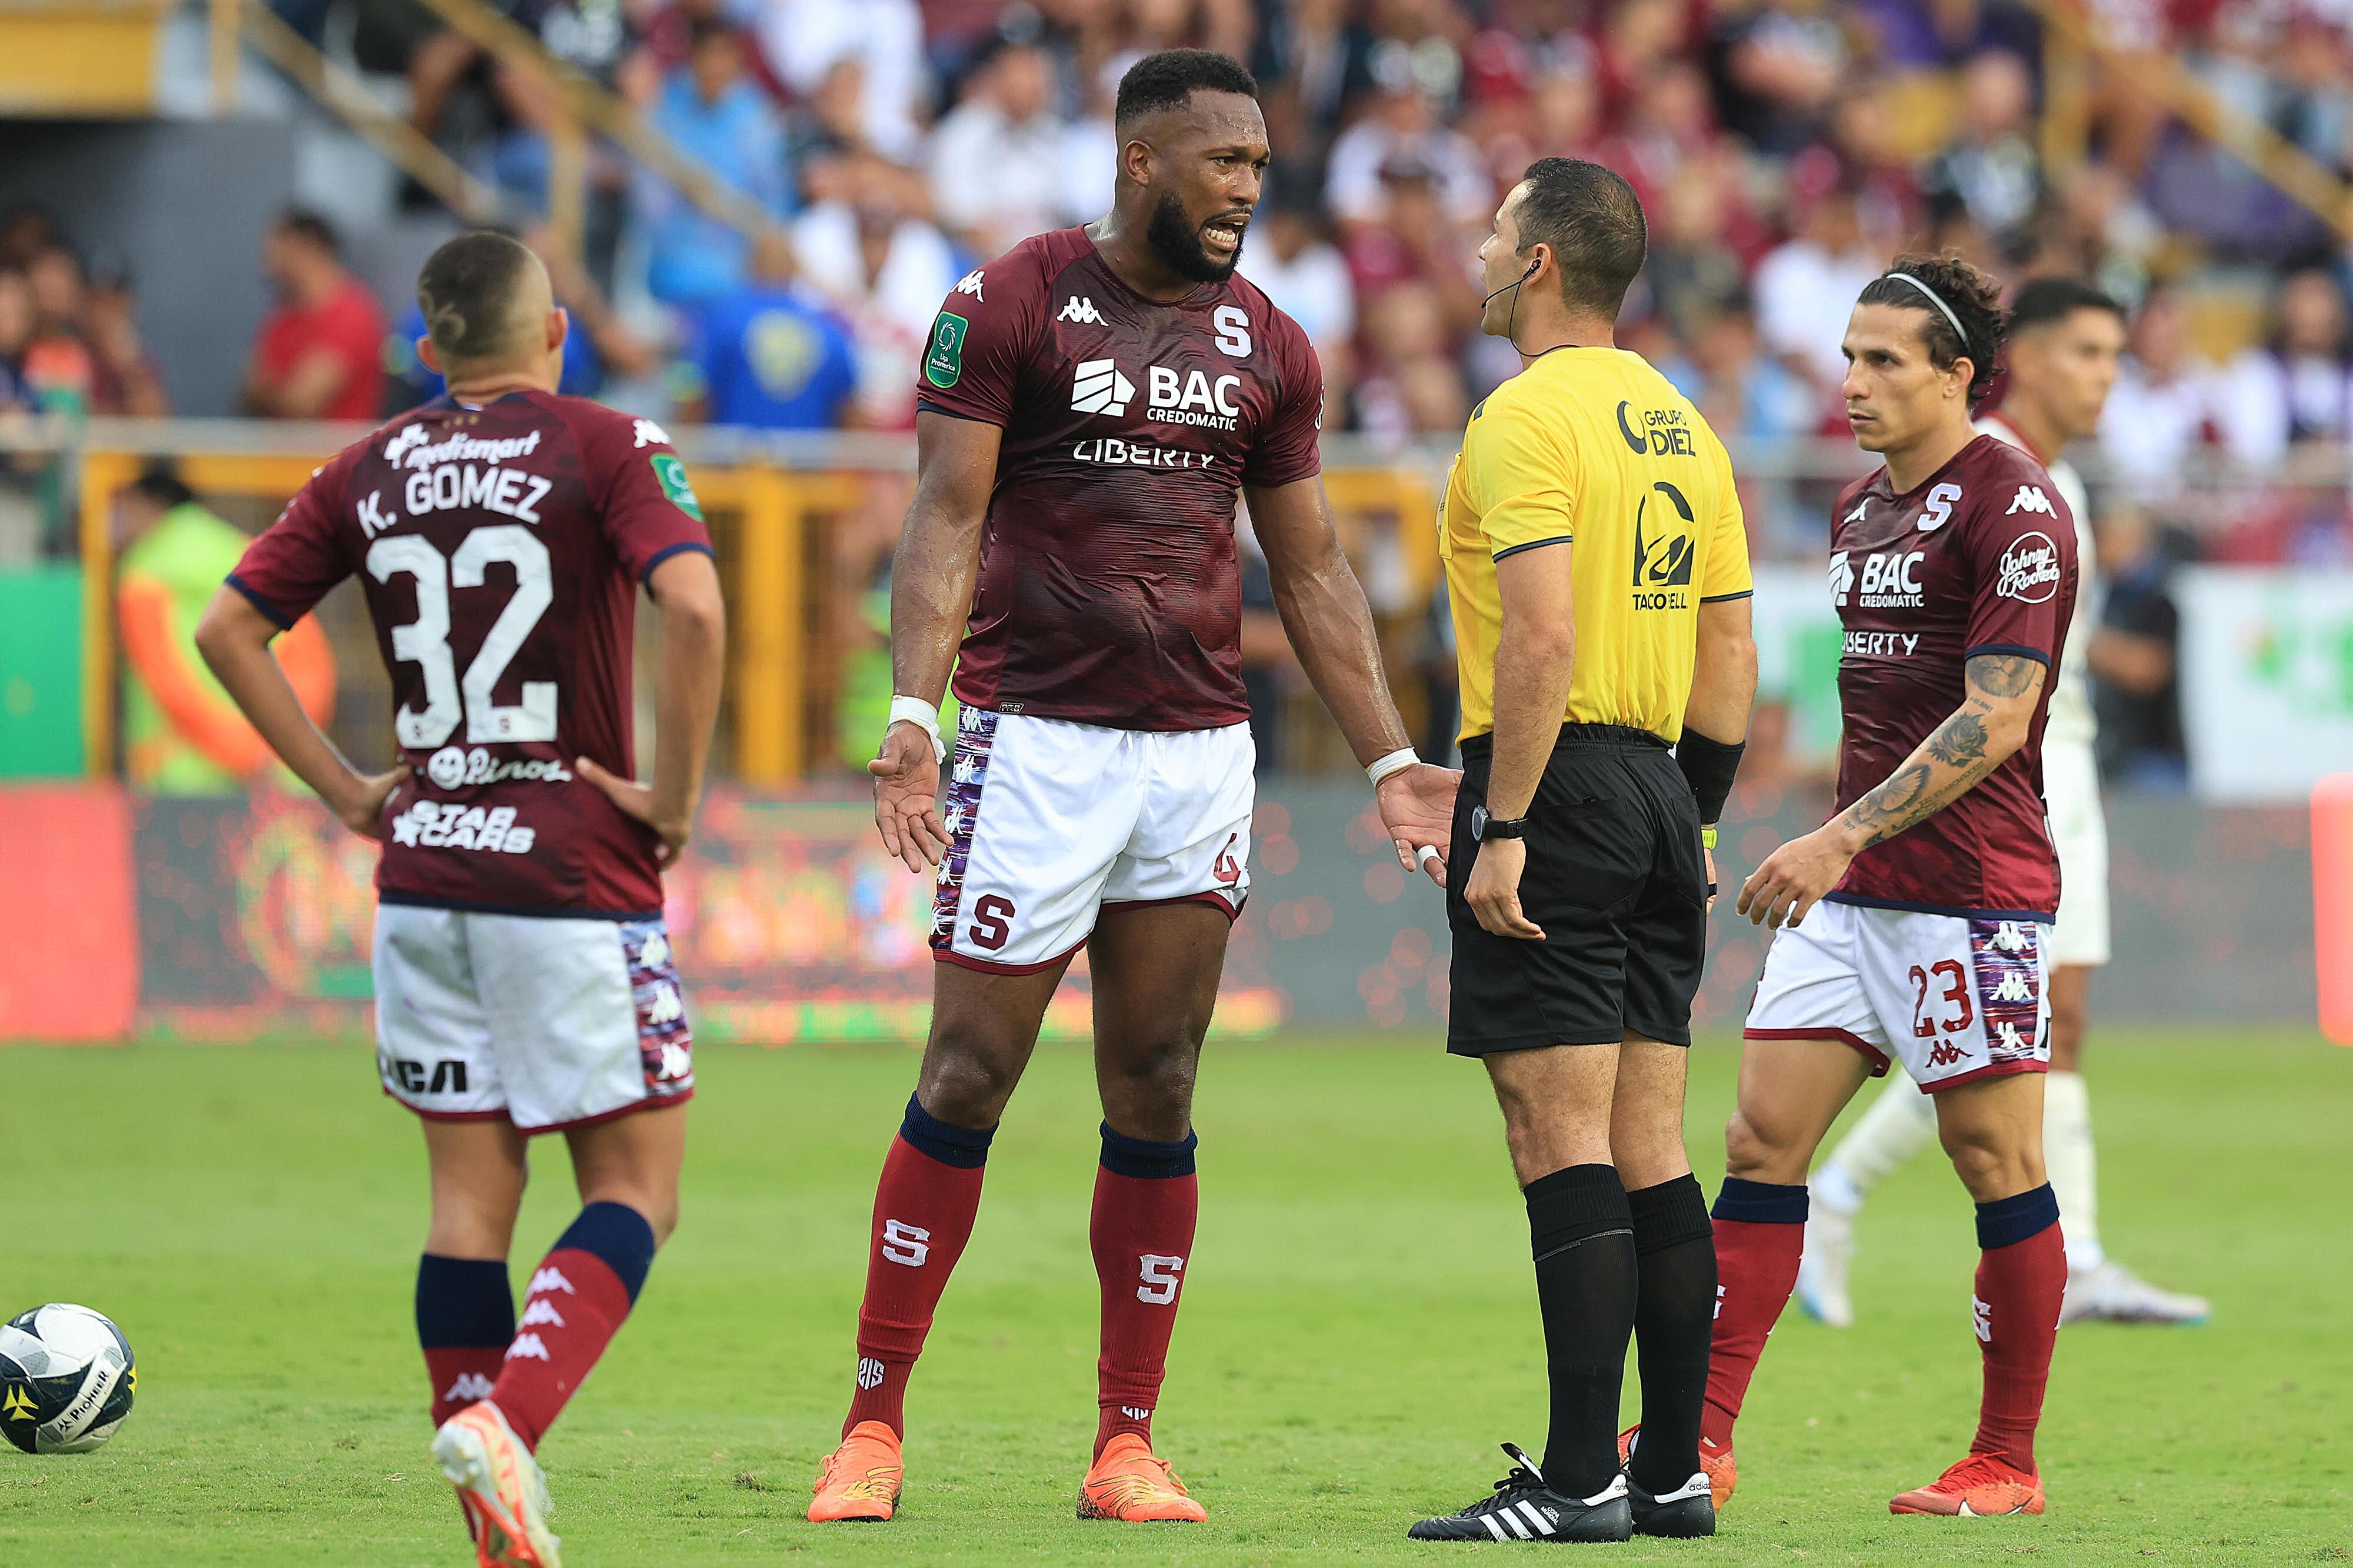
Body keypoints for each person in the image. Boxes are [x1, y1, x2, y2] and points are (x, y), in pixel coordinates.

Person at [804, 48, 1458, 1529]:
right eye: (1220, 160)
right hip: (1035, 739)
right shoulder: (1013, 300)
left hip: (1194, 752)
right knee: (968, 1069)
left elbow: (1311, 565)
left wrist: (1393, 757)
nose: (1245, 186)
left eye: (1257, 163)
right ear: (1139, 160)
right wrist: (918, 707)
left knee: (1156, 1079)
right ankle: (872, 1422)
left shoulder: (1272, 343)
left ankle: (1125, 1440)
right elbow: (945, 514)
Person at [194, 231, 727, 1567]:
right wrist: (671, 793)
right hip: (566, 867)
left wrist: (343, 788)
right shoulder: (609, 440)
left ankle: (486, 1521)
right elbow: (699, 611)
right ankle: (508, 1428)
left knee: (465, 1206)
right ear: (557, 333)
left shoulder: (366, 465)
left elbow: (227, 628)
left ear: (425, 348)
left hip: (423, 868)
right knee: (635, 1190)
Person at [1404, 158, 1755, 1546]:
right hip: (1667, 787)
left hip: (1551, 783)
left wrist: (1502, 824)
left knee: (1556, 1138)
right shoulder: (1684, 423)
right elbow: (1728, 649)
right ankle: (1668, 1468)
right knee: (1649, 1143)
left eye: (1495, 230)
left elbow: (1539, 637)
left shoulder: (1519, 417)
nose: (1479, 249)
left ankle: (1573, 1475)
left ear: (1537, 264)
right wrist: (1705, 817)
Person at [1698, 254, 2078, 1519]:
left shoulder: (2013, 507)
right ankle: (1697, 1439)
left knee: (1991, 1156)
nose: (1850, 382)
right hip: (1853, 893)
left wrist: (1835, 838)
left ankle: (2005, 1460)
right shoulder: (1858, 509)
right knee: (1759, 1138)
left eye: (1881, 361)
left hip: (1967, 894)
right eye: (1847, 356)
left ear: (1955, 373)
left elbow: (1998, 715)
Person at [1798, 278, 2211, 1329]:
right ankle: (1847, 1200)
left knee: (2044, 1024)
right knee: (2006, 1031)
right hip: (2002, 783)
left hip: (2052, 767)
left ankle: (2075, 1252)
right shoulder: (1990, 483)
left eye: (2117, 356)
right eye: (2085, 353)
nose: (2105, 376)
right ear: (2006, 358)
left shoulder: (2056, 481)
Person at [116, 462, 335, 794]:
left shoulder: (146, 565)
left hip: (181, 779)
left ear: (148, 502)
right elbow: (310, 659)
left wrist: (234, 749)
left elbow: (165, 677)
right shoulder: (241, 549)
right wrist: (277, 747)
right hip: (274, 776)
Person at [684, 230, 859, 430]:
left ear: (752, 265)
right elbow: (848, 409)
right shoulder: (829, 329)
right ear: (795, 268)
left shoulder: (723, 319)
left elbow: (696, 394)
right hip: (808, 456)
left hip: (734, 455)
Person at [244, 211, 388, 422]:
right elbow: (248, 394)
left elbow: (302, 404)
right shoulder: (284, 316)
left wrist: (269, 390)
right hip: (277, 451)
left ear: (308, 248)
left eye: (279, 250)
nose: (269, 264)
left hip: (335, 453)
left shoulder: (349, 315)